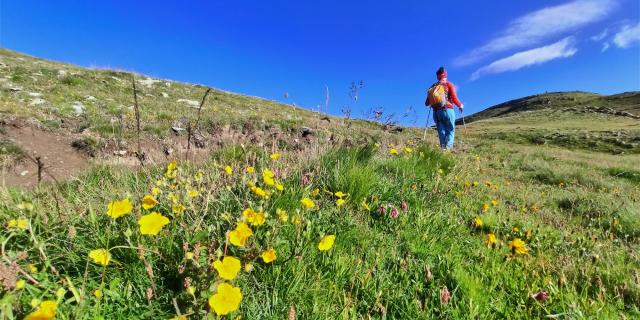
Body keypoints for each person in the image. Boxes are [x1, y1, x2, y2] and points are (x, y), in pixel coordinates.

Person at [425, 67, 464, 150]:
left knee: (441, 131)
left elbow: (426, 103)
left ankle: (443, 149)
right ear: (445, 75)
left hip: (436, 112)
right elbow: (454, 98)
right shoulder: (448, 84)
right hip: (447, 110)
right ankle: (448, 149)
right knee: (450, 130)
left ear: (437, 76)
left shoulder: (432, 87)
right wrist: (460, 105)